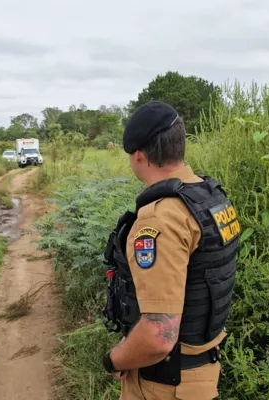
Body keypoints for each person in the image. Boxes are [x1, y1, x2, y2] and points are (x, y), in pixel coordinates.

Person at [101, 101, 241, 400]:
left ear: (139, 156)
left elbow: (158, 336)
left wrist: (113, 359)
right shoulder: (210, 198)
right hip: (199, 373)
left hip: (164, 383)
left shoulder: (160, 218)